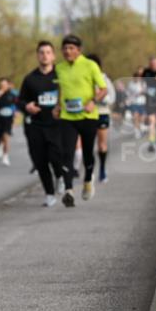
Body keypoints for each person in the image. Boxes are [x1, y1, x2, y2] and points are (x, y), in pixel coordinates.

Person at [55, 34, 107, 205]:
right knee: (66, 153)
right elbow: (60, 89)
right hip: (67, 117)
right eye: (65, 48)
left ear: (78, 50)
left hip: (87, 116)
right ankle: (68, 190)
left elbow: (103, 89)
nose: (67, 51)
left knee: (87, 153)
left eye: (71, 48)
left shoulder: (90, 65)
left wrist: (93, 101)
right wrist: (57, 106)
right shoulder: (60, 68)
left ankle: (87, 181)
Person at [19, 41, 63, 207]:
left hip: (56, 124)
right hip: (36, 125)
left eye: (48, 52)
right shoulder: (30, 79)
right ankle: (49, 194)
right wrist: (26, 106)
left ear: (53, 56)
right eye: (41, 52)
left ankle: (60, 175)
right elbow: (20, 100)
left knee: (56, 156)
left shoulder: (60, 75)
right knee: (40, 161)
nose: (45, 55)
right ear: (38, 56)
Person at [86, 55, 115, 183]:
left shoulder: (104, 79)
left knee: (102, 144)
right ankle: (89, 171)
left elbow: (112, 98)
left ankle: (102, 170)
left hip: (102, 113)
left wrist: (99, 98)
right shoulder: (84, 79)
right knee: (88, 145)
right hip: (86, 114)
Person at [0, 77, 17, 166]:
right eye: (1, 85)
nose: (3, 86)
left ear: (8, 85)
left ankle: (6, 156)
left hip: (8, 119)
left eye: (5, 85)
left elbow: (16, 104)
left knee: (6, 137)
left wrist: (15, 113)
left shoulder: (12, 94)